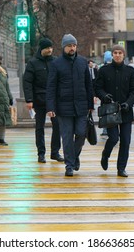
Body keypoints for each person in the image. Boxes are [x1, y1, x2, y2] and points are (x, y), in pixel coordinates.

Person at [46, 34, 94, 177]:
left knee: (80, 133)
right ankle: (69, 165)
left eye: (74, 45)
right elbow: (51, 87)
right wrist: (51, 108)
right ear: (64, 47)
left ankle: (74, 157)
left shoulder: (82, 62)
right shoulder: (56, 64)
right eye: (69, 46)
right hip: (63, 107)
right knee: (67, 137)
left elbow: (88, 85)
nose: (72, 48)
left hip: (81, 106)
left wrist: (90, 104)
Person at [95, 45, 134, 177]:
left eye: (120, 53)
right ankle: (105, 154)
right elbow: (97, 88)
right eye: (115, 53)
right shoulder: (104, 70)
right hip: (110, 110)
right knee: (113, 138)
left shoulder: (130, 71)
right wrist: (104, 96)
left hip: (126, 111)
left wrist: (128, 104)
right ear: (112, 55)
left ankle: (121, 168)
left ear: (124, 55)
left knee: (125, 141)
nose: (118, 55)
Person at [23, 38, 63, 163]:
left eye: (51, 47)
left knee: (57, 125)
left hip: (54, 100)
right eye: (47, 48)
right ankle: (41, 153)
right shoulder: (33, 63)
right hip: (39, 100)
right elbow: (27, 82)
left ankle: (55, 152)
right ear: (41, 49)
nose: (50, 50)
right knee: (39, 127)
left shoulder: (56, 61)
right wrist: (29, 100)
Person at [100, 51, 113, 137]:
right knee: (111, 113)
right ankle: (107, 129)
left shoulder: (101, 68)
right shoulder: (112, 68)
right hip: (109, 95)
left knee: (105, 113)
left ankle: (105, 129)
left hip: (104, 95)